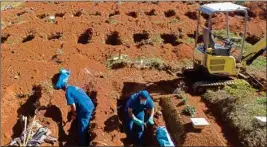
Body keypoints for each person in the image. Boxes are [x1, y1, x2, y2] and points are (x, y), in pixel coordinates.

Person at [54, 68, 95, 146]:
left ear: (63, 88)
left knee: (82, 127)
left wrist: (74, 115)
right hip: (90, 105)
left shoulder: (68, 92)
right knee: (84, 119)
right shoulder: (74, 87)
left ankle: (82, 143)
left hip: (85, 109)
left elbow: (73, 106)